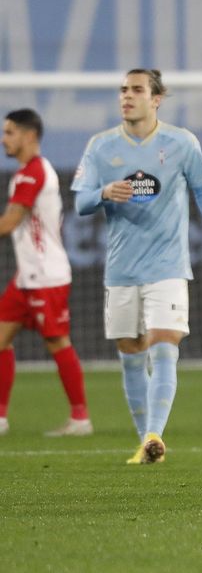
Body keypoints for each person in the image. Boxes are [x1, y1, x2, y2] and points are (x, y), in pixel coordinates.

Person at [71, 69, 202, 464]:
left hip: (168, 266)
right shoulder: (101, 146)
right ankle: (144, 443)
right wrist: (104, 192)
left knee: (164, 347)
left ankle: (154, 434)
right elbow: (80, 204)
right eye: (123, 90)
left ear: (156, 98)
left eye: (137, 90)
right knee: (130, 353)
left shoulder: (181, 143)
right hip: (122, 269)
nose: (127, 96)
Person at [0, 109, 90, 437]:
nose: (4, 139)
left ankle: (80, 419)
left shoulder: (33, 173)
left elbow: (9, 223)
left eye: (9, 132)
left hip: (46, 276)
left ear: (29, 136)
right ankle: (0, 418)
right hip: (27, 277)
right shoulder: (27, 172)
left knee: (57, 342)